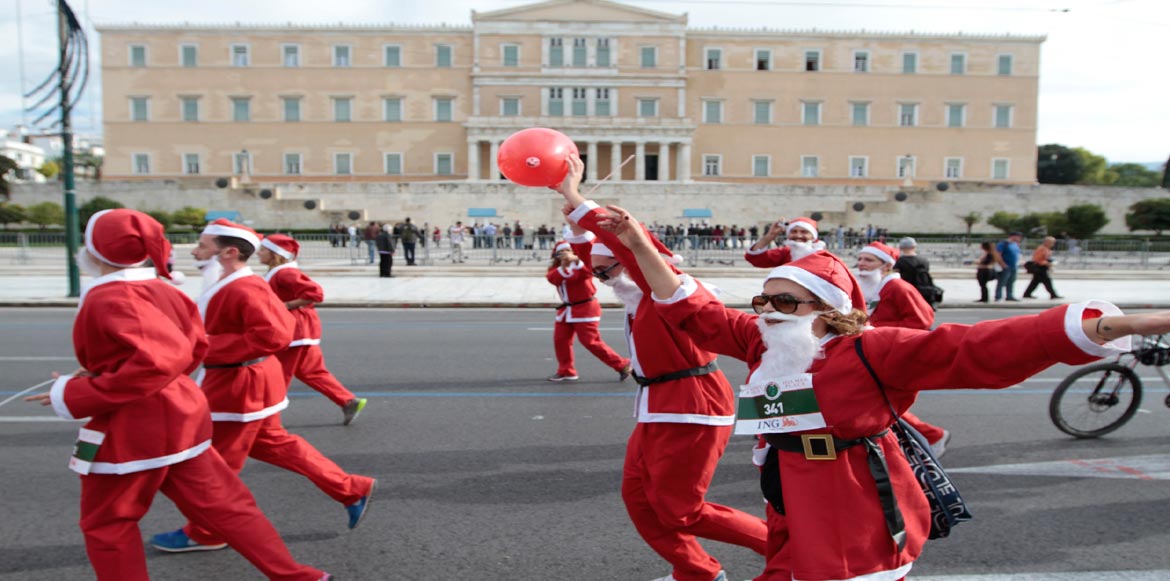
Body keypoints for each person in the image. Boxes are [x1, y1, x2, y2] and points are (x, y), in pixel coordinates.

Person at [598, 203, 1160, 581]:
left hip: (852, 495)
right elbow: (691, 308)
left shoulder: (873, 348)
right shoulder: (762, 339)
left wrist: (1121, 325)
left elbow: (984, 346)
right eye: (763, 300)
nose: (766, 311)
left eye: (785, 302)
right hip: (788, 487)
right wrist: (635, 241)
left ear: (829, 310)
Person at [26, 209, 328, 581]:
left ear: (96, 250)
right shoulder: (164, 290)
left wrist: (75, 392)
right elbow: (189, 348)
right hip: (184, 416)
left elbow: (154, 363)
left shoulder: (109, 297)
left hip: (133, 427)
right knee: (228, 507)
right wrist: (106, 371)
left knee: (108, 524)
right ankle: (297, 576)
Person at [553, 155, 767, 581]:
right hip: (658, 402)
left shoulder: (661, 281)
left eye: (605, 271)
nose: (601, 280)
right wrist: (577, 228)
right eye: (595, 274)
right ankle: (698, 571)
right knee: (638, 498)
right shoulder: (636, 291)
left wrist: (572, 193)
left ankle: (791, 547)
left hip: (692, 404)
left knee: (680, 509)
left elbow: (624, 249)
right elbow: (599, 255)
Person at [149, 219, 375, 552]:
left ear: (227, 253)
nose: (195, 251)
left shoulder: (244, 286)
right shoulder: (232, 281)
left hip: (239, 386)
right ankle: (351, 488)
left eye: (203, 245)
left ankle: (207, 532)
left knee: (216, 466)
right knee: (274, 444)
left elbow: (273, 334)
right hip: (245, 382)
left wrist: (202, 346)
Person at [258, 234, 369, 425]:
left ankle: (267, 420)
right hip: (303, 332)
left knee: (278, 375)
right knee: (312, 372)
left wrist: (286, 305)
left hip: (294, 332)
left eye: (263, 250)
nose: (258, 253)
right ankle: (348, 401)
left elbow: (315, 293)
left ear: (275, 253)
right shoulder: (280, 272)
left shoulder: (284, 273)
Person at [855, 241, 950, 456]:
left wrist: (878, 330)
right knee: (880, 401)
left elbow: (922, 320)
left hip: (897, 352)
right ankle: (926, 437)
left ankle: (931, 436)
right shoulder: (874, 287)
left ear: (886, 266)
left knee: (882, 401)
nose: (861, 264)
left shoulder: (898, 287)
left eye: (868, 260)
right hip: (878, 352)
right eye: (860, 259)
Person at [545, 238, 633, 382]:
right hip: (566, 310)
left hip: (585, 308)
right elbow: (553, 278)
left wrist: (575, 260)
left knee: (590, 341)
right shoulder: (556, 270)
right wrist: (563, 264)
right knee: (560, 340)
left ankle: (621, 364)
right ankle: (566, 370)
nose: (565, 254)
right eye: (561, 252)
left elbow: (584, 273)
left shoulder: (582, 266)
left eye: (567, 251)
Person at [744, 216, 826, 268]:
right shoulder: (785, 253)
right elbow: (755, 258)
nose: (798, 236)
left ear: (813, 236)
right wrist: (770, 235)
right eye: (794, 231)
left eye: (804, 232)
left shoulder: (825, 257)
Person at [995, 231, 1024, 302]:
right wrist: (1003, 264)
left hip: (1014, 266)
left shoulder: (1015, 245)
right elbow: (998, 254)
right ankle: (998, 296)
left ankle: (1009, 295)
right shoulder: (1003, 244)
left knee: (1011, 281)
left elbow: (1018, 254)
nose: (1019, 239)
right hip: (1006, 266)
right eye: (1018, 237)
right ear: (1013, 236)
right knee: (1002, 281)